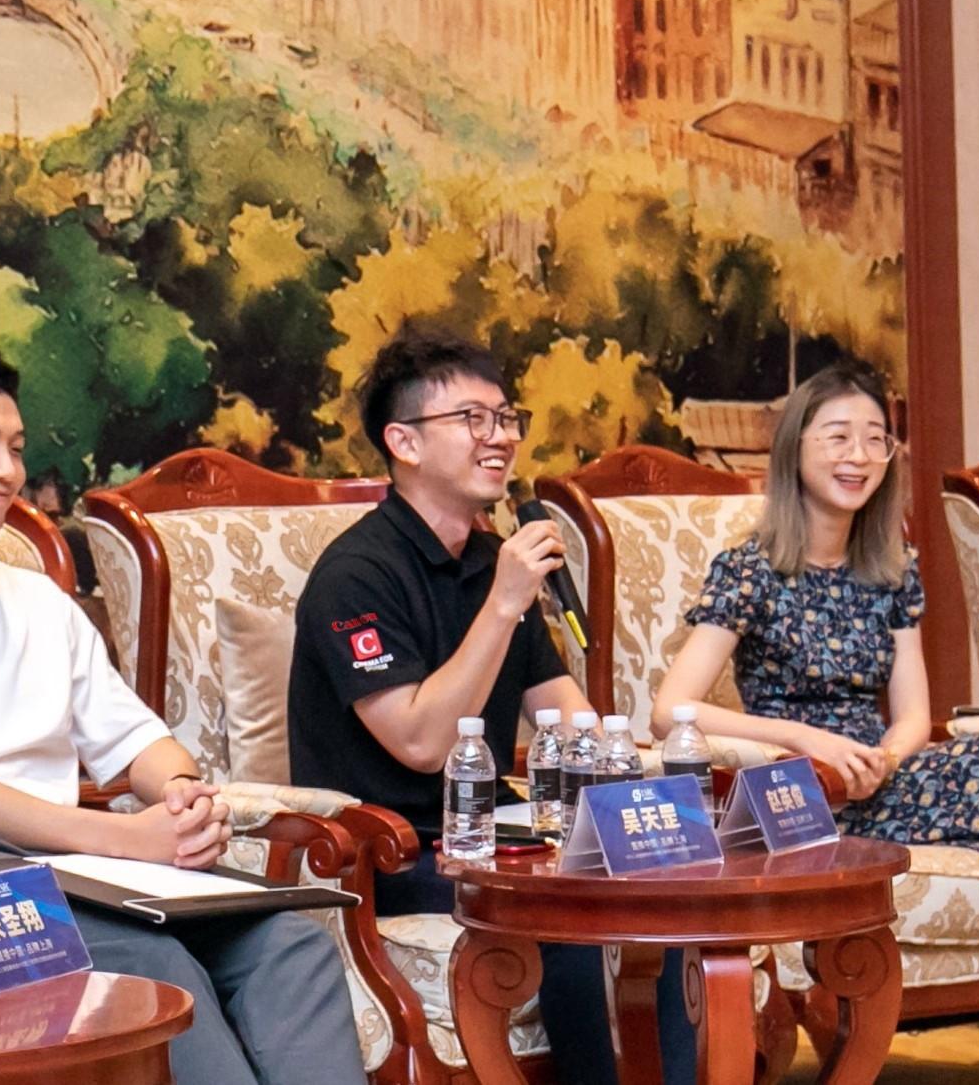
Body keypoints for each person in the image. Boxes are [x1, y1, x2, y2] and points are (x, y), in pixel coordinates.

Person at [0, 343, 365, 1085]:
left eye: (17, 448)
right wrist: (123, 838)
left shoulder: (36, 600)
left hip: (71, 871)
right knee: (153, 965)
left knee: (290, 945)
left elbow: (140, 742)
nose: (7, 471)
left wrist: (180, 798)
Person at [653, 363, 979, 1085]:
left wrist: (885, 755)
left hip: (884, 777)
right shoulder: (750, 570)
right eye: (838, 436)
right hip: (801, 794)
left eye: (876, 439)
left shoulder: (891, 568)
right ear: (795, 448)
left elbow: (910, 716)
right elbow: (671, 710)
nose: (859, 455)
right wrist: (808, 740)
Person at [287, 331, 696, 1085]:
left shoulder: (490, 561)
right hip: (393, 854)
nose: (500, 437)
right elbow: (420, 743)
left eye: (507, 418)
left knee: (655, 894)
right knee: (572, 918)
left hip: (497, 837)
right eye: (472, 420)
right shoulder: (356, 575)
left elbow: (567, 717)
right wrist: (504, 604)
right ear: (404, 442)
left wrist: (645, 800)